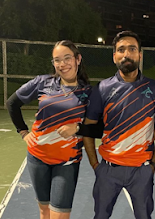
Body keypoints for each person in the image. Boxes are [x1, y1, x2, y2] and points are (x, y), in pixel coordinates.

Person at [83, 30, 155, 219]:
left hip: (142, 171)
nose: (126, 54)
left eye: (132, 49)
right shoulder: (102, 89)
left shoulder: (154, 89)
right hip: (108, 170)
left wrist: (153, 165)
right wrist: (95, 165)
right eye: (121, 49)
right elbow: (88, 129)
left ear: (140, 54)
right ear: (114, 56)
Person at [7, 40, 100, 219]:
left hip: (67, 161)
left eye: (67, 58)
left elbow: (99, 128)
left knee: (59, 216)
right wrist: (23, 132)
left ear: (78, 59)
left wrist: (78, 128)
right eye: (57, 60)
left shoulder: (89, 93)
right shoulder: (43, 82)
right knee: (44, 211)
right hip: (37, 157)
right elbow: (12, 103)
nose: (62, 64)